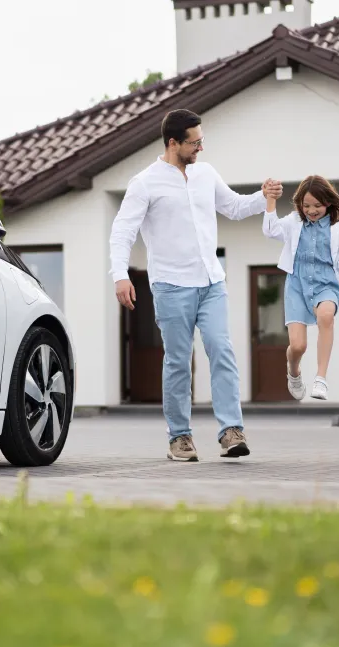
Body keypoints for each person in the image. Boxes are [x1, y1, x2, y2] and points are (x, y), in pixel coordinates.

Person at [109, 108, 282, 462]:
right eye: (195, 142)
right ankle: (180, 437)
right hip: (171, 285)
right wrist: (120, 274)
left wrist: (263, 197)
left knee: (222, 349)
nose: (201, 148)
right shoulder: (145, 183)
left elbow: (232, 207)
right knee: (178, 362)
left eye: (202, 140)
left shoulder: (206, 174)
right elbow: (122, 231)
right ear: (173, 143)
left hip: (212, 281)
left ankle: (231, 431)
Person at [262, 176, 339, 401]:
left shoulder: (338, 228)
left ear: (328, 203)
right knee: (298, 346)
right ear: (300, 205)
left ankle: (320, 379)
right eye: (306, 206)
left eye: (317, 205)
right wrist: (270, 200)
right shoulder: (294, 221)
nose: (311, 210)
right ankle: (294, 371)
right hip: (297, 286)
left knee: (326, 316)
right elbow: (270, 231)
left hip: (326, 284)